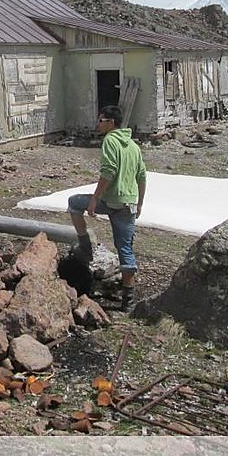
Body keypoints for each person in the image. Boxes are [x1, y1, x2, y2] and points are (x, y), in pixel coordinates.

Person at [68, 105, 147, 312]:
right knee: (126, 250)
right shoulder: (133, 145)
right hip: (128, 203)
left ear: (111, 122)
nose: (97, 123)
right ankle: (128, 301)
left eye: (101, 120)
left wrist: (94, 199)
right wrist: (139, 203)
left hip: (111, 201)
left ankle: (85, 248)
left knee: (74, 203)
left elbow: (109, 171)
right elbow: (142, 176)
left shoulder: (110, 141)